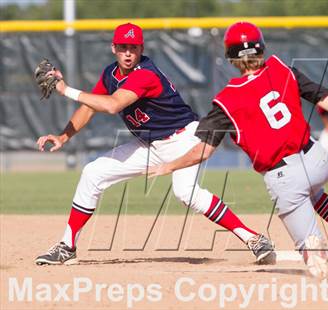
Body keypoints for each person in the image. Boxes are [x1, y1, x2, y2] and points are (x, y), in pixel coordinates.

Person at [148, 21, 328, 277]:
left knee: (310, 246)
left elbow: (203, 152)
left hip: (283, 178)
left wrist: (169, 165)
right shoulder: (283, 69)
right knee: (316, 194)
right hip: (317, 159)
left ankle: (312, 250)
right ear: (261, 47)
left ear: (230, 57)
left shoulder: (227, 100)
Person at [34, 23, 276, 266]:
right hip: (150, 144)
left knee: (187, 193)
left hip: (183, 138)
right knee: (92, 173)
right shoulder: (111, 74)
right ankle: (67, 245)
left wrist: (64, 89)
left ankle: (254, 239)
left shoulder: (145, 74)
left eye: (133, 47)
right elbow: (89, 107)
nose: (128, 53)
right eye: (122, 47)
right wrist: (64, 136)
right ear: (113, 48)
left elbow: (112, 105)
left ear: (141, 48)